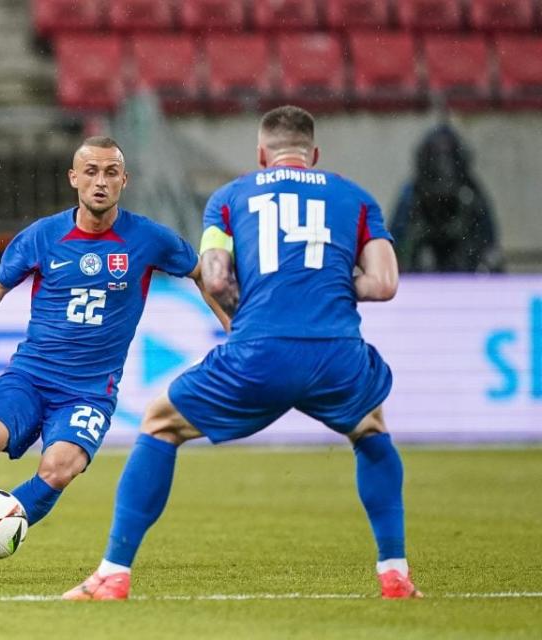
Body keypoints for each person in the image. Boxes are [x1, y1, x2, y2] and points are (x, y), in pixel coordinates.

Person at [64, 106, 421, 601]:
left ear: (260, 154)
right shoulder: (356, 199)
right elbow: (383, 284)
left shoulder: (230, 199)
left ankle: (112, 574)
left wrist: (262, 298)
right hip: (336, 352)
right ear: (313, 155)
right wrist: (326, 286)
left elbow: (213, 278)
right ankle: (395, 574)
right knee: (370, 430)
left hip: (259, 349)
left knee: (160, 423)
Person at [0, 136, 229, 574]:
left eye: (111, 172)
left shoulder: (148, 238)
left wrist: (235, 329)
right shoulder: (43, 236)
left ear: (124, 181)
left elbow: (203, 276)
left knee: (60, 468)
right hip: (31, 377)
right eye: (90, 171)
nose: (100, 181)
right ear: (74, 178)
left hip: (90, 391)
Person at [390, 124, 504, 273]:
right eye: (436, 156)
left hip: (465, 272)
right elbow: (395, 244)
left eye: (448, 156)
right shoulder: (411, 194)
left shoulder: (471, 194)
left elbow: (489, 245)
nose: (443, 166)